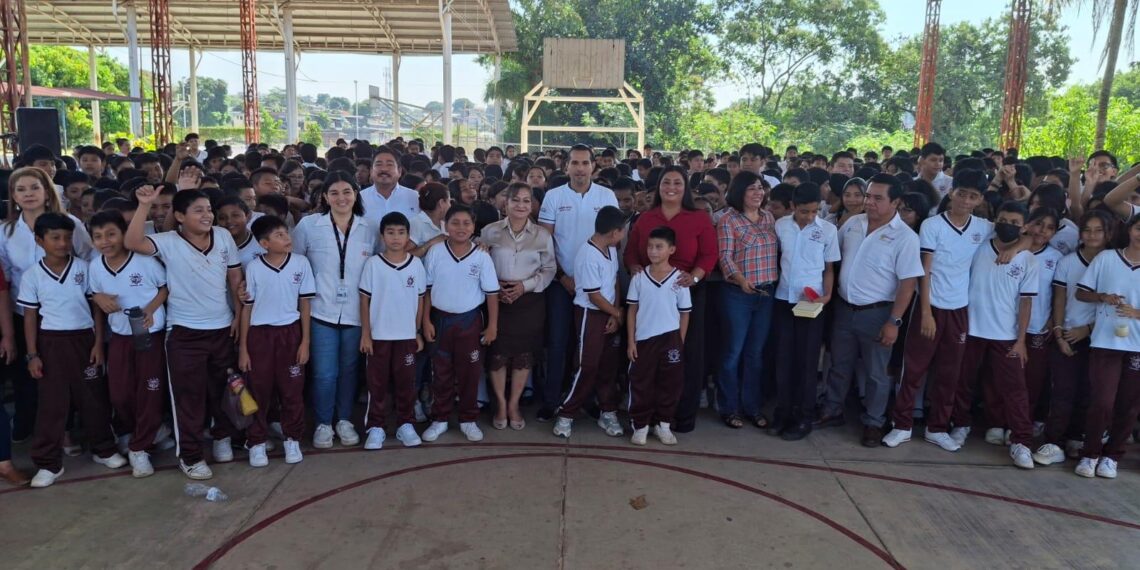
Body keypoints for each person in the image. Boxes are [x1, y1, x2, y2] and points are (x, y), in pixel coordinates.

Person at [126, 188, 243, 481]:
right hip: (184, 333)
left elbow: (234, 278)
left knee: (224, 390)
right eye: (198, 210)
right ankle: (190, 456)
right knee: (188, 399)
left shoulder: (223, 236)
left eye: (208, 209)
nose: (207, 215)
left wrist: (240, 316)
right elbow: (132, 241)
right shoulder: (168, 242)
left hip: (222, 328)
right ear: (179, 217)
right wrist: (144, 205)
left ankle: (222, 437)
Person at [882, 170, 990, 450]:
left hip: (959, 309)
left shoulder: (983, 227)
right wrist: (927, 312)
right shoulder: (932, 225)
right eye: (962, 193)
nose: (966, 200)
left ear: (980, 199)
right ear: (951, 192)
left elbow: (1021, 235)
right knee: (913, 369)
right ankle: (902, 425)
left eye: (973, 196)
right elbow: (924, 271)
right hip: (928, 306)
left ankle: (937, 427)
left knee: (950, 372)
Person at [816, 174, 923, 447]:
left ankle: (874, 422)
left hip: (878, 313)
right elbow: (831, 255)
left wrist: (894, 322)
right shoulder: (853, 224)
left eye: (878, 198)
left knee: (876, 372)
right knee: (839, 364)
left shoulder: (905, 238)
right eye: (868, 196)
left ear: (896, 202)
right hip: (843, 308)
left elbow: (907, 284)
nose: (870, 202)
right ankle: (832, 409)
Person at [21, 213, 125, 488]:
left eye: (67, 238)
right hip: (51, 342)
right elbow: (30, 317)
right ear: (39, 240)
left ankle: (104, 449)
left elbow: (97, 309)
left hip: (84, 340)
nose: (63, 243)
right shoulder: (32, 275)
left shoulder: (85, 268)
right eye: (55, 238)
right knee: (52, 404)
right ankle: (48, 463)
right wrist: (33, 354)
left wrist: (98, 344)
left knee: (93, 398)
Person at [0, 167, 94, 444]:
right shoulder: (6, 231)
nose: (28, 194)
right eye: (21, 189)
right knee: (28, 375)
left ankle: (65, 432)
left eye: (34, 188)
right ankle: (30, 427)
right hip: (23, 313)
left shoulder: (70, 224)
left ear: (46, 191)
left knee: (64, 376)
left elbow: (89, 258)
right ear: (13, 196)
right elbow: (4, 278)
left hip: (67, 312)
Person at [625, 165, 717, 432]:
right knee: (647, 356)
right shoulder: (646, 218)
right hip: (651, 293)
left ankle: (680, 416)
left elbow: (709, 254)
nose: (671, 188)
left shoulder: (698, 218)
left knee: (684, 352)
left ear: (686, 187)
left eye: (678, 183)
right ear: (659, 187)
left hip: (686, 291)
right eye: (666, 182)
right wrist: (634, 269)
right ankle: (646, 418)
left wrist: (695, 277)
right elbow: (631, 253)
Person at [291, 171, 378, 449]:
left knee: (350, 370)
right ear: (325, 197)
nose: (341, 198)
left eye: (347, 192)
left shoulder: (369, 227)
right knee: (324, 373)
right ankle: (323, 423)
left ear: (356, 195)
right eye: (334, 193)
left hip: (355, 313)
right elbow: (296, 265)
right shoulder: (308, 226)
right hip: (320, 311)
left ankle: (344, 420)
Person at [951, 202, 1038, 468]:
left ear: (1022, 226)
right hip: (972, 328)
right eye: (1002, 219)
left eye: (1014, 222)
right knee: (963, 382)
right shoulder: (979, 246)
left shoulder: (1028, 259)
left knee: (1015, 389)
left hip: (1006, 335)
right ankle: (961, 425)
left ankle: (1022, 441)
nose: (1007, 225)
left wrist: (1021, 339)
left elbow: (1026, 302)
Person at [536, 144, 618, 422]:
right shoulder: (553, 196)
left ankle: (587, 399)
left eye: (585, 163)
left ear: (594, 166)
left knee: (593, 347)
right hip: (562, 283)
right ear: (566, 166)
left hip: (598, 287)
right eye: (575, 163)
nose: (580, 168)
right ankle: (551, 401)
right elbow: (546, 242)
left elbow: (613, 239)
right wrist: (562, 276)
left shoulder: (606, 196)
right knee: (559, 342)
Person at [87, 211, 169, 478]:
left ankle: (140, 447)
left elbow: (165, 287)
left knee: (150, 390)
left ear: (124, 234)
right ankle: (149, 431)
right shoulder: (96, 266)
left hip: (150, 334)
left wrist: (150, 310)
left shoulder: (144, 260)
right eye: (97, 236)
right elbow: (95, 298)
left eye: (111, 234)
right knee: (120, 394)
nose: (105, 241)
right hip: (121, 336)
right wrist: (98, 297)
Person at [1034, 210, 1115, 466]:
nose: (1092, 235)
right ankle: (1053, 441)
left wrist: (1088, 330)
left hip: (1100, 337)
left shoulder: (1113, 262)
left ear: (1108, 234)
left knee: (1089, 393)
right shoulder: (1067, 262)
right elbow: (1060, 298)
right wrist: (1058, 333)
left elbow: (1114, 304)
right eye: (1087, 230)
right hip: (1068, 333)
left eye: (1098, 230)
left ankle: (1077, 438)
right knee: (1063, 391)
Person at [238, 216, 315, 467]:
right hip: (260, 336)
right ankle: (257, 442)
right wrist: (244, 349)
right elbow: (247, 309)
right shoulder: (254, 268)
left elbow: (305, 305)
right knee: (259, 391)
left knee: (292, 391)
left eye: (286, 233)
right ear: (264, 243)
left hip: (290, 334)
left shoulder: (301, 263)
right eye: (279, 235)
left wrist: (305, 342)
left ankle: (292, 438)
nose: (286, 238)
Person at [420, 205, 500, 443]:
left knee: (470, 373)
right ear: (445, 225)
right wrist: (425, 320)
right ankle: (440, 418)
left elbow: (492, 294)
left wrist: (492, 325)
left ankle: (468, 419)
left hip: (469, 321)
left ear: (474, 227)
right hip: (440, 319)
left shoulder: (482, 256)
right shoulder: (435, 252)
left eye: (466, 223)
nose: (461, 228)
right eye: (455, 222)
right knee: (441, 372)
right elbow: (426, 290)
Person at [481, 184, 556, 430]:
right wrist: (494, 287)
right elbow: (479, 262)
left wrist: (524, 286)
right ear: (506, 203)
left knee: (523, 356)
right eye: (516, 200)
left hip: (529, 302)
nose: (521, 205)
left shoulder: (542, 235)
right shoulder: (489, 232)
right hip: (497, 301)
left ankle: (514, 404)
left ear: (532, 204)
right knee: (498, 356)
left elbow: (549, 269)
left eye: (526, 201)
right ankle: (501, 404)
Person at [1072, 213, 1140, 479]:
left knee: (1129, 405)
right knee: (1102, 401)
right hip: (1105, 341)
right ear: (1130, 230)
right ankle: (1090, 454)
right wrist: (1102, 297)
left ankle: (1112, 456)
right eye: (1138, 228)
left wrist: (1137, 314)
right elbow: (1080, 292)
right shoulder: (1107, 259)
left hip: (1136, 345)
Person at [771, 183, 839, 440]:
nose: (809, 217)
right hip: (783, 299)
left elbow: (829, 269)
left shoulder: (828, 231)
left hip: (812, 304)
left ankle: (803, 417)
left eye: (813, 211)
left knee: (808, 362)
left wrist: (827, 295)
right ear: (792, 207)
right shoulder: (781, 226)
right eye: (803, 212)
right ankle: (783, 411)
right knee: (784, 359)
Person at [553, 206, 626, 439]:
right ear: (614, 232)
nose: (623, 235)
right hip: (590, 314)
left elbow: (614, 279)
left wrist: (615, 313)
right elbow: (593, 296)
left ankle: (608, 411)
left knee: (608, 366)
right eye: (622, 231)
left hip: (609, 313)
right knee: (587, 366)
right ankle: (567, 413)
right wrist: (616, 313)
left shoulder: (611, 249)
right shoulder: (587, 254)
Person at [715, 171, 779, 430]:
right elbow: (725, 257)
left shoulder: (769, 218)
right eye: (752, 188)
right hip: (738, 295)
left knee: (755, 354)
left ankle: (751, 407)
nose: (758, 193)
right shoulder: (728, 220)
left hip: (766, 294)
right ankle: (730, 408)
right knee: (732, 353)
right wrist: (741, 280)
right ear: (739, 192)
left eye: (760, 188)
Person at [359, 212, 427, 449]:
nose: (396, 238)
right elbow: (364, 300)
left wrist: (417, 331)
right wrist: (366, 334)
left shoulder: (416, 265)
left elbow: (420, 300)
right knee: (377, 384)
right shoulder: (373, 264)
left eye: (401, 232)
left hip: (406, 336)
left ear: (408, 236)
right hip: (378, 337)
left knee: (406, 383)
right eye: (390, 232)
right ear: (382, 236)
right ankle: (376, 426)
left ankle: (405, 424)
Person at [626, 226, 692, 446]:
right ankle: (641, 425)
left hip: (670, 339)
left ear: (671, 249)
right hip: (644, 340)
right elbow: (632, 311)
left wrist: (679, 341)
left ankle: (663, 424)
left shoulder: (680, 280)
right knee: (641, 383)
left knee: (670, 384)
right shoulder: (639, 278)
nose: (653, 251)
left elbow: (685, 314)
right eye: (650, 246)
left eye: (659, 247)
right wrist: (631, 341)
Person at [360, 146, 420, 232]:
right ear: (371, 171)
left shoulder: (415, 197)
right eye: (379, 164)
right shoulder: (359, 199)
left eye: (389, 164)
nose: (384, 169)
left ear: (399, 171)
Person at [216, 196, 265, 266]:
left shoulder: (262, 244)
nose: (229, 221)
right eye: (222, 218)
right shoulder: (212, 244)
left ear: (248, 217)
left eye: (235, 215)